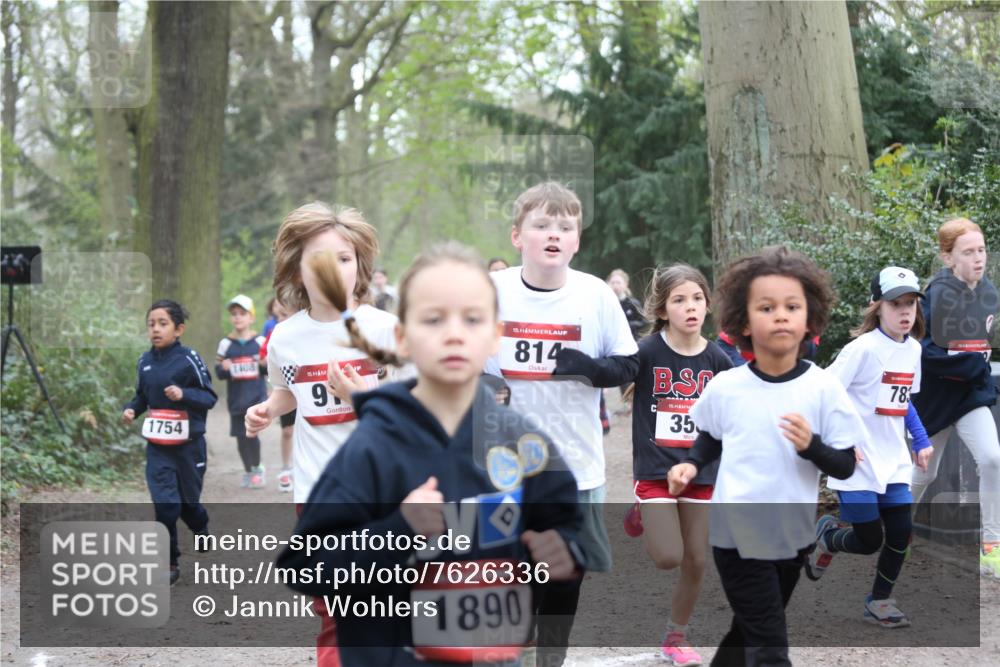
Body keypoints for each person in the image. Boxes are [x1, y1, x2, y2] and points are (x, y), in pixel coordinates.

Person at [277, 242, 584, 667]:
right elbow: (304, 565)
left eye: (472, 319)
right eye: (434, 319)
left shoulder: (523, 444)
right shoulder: (372, 449)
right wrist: (398, 529)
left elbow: (566, 533)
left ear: (495, 335)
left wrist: (562, 555)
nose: (454, 333)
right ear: (402, 339)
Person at [667, 246, 864, 667]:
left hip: (793, 537)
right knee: (771, 648)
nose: (780, 316)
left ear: (809, 320)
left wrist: (812, 446)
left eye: (792, 306)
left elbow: (846, 464)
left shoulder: (823, 389)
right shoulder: (727, 387)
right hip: (736, 535)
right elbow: (711, 435)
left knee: (748, 633)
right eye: (766, 307)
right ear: (743, 321)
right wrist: (692, 463)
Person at [484, 181, 639, 666]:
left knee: (565, 575)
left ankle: (550, 657)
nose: (554, 233)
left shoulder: (595, 294)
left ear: (576, 241)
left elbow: (628, 365)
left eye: (565, 227)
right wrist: (483, 386)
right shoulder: (491, 293)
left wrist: (590, 369)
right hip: (502, 468)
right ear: (517, 236)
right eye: (542, 225)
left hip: (575, 465)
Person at [244, 201, 405, 667]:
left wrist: (364, 398)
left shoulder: (386, 331)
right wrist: (268, 409)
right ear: (296, 269)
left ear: (360, 268)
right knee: (334, 608)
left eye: (344, 258)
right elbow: (288, 390)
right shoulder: (285, 337)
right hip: (319, 491)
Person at [806, 267, 933, 628]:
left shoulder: (913, 350)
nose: (905, 311)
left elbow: (903, 401)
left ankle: (880, 601)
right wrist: (841, 441)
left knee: (900, 533)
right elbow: (823, 395)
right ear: (877, 306)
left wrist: (921, 439)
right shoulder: (860, 350)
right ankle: (829, 537)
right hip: (857, 459)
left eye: (910, 304)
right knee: (868, 539)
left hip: (893, 459)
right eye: (896, 304)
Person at [623, 264, 732, 666]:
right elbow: (614, 371)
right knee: (669, 556)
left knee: (697, 559)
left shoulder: (719, 360)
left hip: (699, 472)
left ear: (708, 304)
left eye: (698, 298)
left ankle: (675, 636)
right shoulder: (647, 352)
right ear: (663, 309)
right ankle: (642, 510)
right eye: (680, 300)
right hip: (655, 470)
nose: (691, 307)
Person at [910, 218, 999, 579]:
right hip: (936, 398)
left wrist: (978, 364)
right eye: (968, 252)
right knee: (925, 472)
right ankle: (897, 529)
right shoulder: (936, 295)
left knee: (993, 459)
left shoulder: (989, 291)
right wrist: (969, 363)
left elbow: (983, 342)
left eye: (981, 250)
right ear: (948, 258)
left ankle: (992, 547)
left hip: (971, 395)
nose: (978, 258)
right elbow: (924, 351)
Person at [122, 299, 217, 586]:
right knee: (165, 505)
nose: (155, 329)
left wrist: (183, 394)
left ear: (178, 329)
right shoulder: (144, 361)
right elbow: (142, 396)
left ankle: (200, 527)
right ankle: (169, 561)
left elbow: (209, 397)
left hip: (189, 446)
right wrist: (132, 409)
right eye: (151, 324)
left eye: (162, 324)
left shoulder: (188, 359)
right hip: (158, 447)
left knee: (188, 505)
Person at [215, 294, 268, 489]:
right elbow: (218, 372)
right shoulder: (225, 344)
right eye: (234, 314)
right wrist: (225, 368)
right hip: (236, 400)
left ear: (251, 317)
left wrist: (263, 364)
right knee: (240, 437)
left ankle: (257, 469)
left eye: (242, 313)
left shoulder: (261, 342)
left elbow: (269, 369)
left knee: (252, 434)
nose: (237, 317)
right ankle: (248, 470)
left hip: (256, 398)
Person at [259, 295, 296, 492]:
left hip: (308, 391)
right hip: (286, 389)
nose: (281, 319)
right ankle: (286, 468)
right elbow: (262, 360)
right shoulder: (274, 334)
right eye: (278, 315)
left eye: (285, 315)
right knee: (287, 430)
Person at [607, 268, 647, 340]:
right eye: (612, 283)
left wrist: (628, 325)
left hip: (631, 340)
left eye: (618, 282)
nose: (615, 285)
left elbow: (644, 322)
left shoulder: (633, 304)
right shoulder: (606, 304)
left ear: (625, 284)